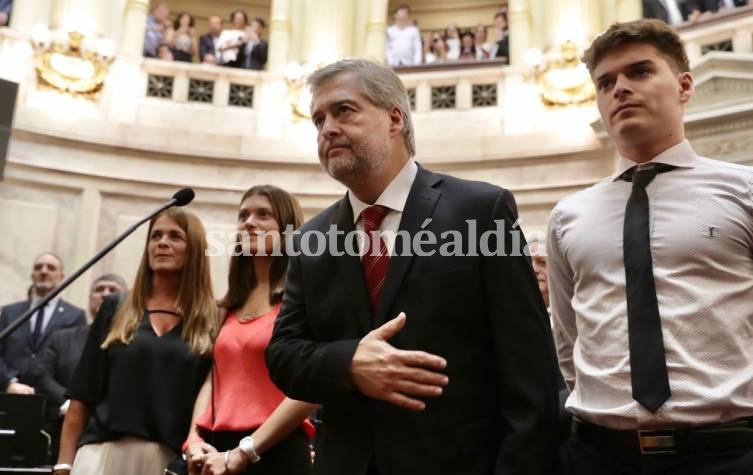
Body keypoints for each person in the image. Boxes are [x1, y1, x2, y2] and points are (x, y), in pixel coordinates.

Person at [265, 59, 560, 475]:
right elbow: (282, 357)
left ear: (395, 118)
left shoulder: (479, 211)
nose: (327, 128)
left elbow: (531, 377)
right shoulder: (311, 238)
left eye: (343, 111)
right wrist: (349, 363)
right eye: (318, 119)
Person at [548, 19, 753, 474]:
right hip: (598, 457)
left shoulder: (745, 191)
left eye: (639, 72)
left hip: (727, 454)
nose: (620, 88)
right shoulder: (568, 216)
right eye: (606, 82)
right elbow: (568, 342)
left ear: (683, 86)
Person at [53, 208, 218, 475]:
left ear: (195, 250)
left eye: (175, 236)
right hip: (100, 453)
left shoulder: (211, 318)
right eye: (156, 236)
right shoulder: (115, 307)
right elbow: (83, 393)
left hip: (168, 460)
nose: (162, 242)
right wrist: (63, 464)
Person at [183, 185, 316, 475]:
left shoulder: (305, 297)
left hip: (275, 449)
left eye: (263, 214)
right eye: (243, 215)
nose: (249, 222)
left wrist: (247, 450)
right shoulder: (227, 305)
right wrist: (193, 437)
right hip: (216, 451)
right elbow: (213, 379)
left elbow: (312, 387)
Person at [35, 273, 127, 462]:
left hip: (110, 434)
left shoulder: (134, 343)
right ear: (89, 297)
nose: (105, 295)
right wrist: (72, 404)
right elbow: (43, 376)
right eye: (99, 290)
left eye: (112, 290)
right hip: (59, 428)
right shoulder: (62, 337)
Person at [0, 252, 85, 394]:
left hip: (51, 400)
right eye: (38, 267)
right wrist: (8, 382)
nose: (44, 271)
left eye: (51, 268)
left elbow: (75, 360)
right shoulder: (10, 312)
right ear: (32, 275)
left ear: (61, 276)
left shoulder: (75, 315)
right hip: (9, 394)